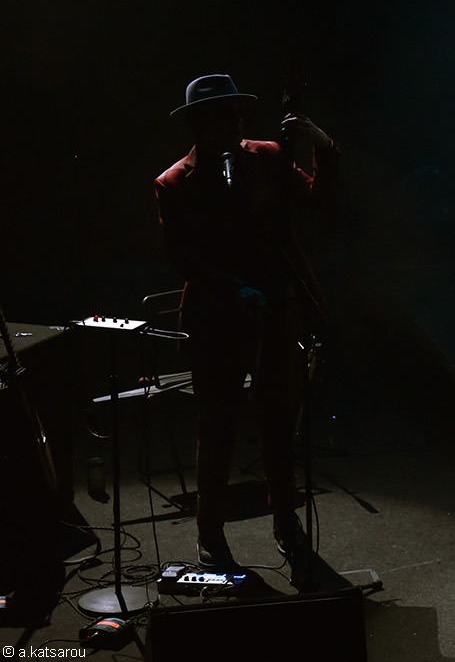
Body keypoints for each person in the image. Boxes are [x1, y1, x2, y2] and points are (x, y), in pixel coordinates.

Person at [154, 74, 338, 571]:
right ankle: (210, 533)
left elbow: (320, 200)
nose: (236, 123)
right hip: (216, 317)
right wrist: (233, 288)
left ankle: (287, 524)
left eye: (237, 113)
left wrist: (322, 145)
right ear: (199, 123)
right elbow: (184, 258)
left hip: (272, 311)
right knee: (217, 427)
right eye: (224, 115)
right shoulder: (175, 182)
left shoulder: (267, 157)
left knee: (277, 421)